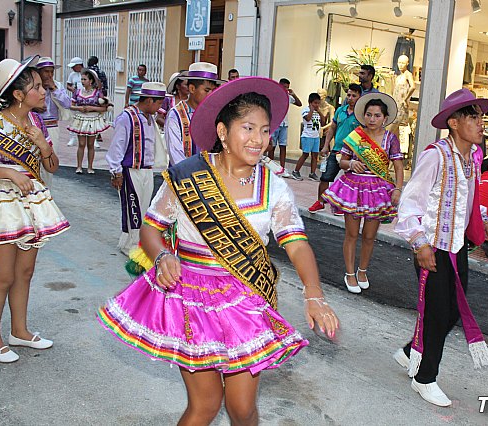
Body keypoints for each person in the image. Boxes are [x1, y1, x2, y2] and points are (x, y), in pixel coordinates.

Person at [97, 76, 338, 424]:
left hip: (244, 300)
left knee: (242, 408)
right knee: (205, 405)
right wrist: (163, 256)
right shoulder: (187, 177)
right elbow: (151, 229)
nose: (258, 140)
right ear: (223, 131)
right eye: (248, 128)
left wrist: (314, 293)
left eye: (266, 130)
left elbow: (296, 243)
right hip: (192, 300)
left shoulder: (274, 188)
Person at [393, 88, 488, 407]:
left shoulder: (474, 157)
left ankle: (410, 351)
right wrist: (419, 243)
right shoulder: (435, 155)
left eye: (481, 116)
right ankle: (424, 378)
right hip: (431, 247)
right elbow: (409, 203)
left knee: (452, 311)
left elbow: (468, 197)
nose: (481, 122)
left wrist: (484, 219)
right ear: (453, 123)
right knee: (439, 313)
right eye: (473, 116)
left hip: (457, 247)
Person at [0, 57, 70, 363]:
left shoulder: (36, 122)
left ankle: (19, 331)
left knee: (25, 272)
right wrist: (9, 173)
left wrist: (44, 146)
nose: (43, 90)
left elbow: (52, 166)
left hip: (30, 202)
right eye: (36, 86)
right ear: (19, 94)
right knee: (3, 276)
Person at [322, 93, 404, 293]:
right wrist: (350, 163)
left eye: (377, 115)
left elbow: (399, 167)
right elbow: (341, 160)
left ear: (384, 118)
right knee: (351, 234)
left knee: (369, 236)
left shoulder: (390, 139)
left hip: (378, 191)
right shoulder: (356, 136)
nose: (372, 119)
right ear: (363, 116)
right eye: (369, 114)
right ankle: (349, 273)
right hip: (354, 188)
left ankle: (362, 270)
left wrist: (398, 189)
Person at [106, 82, 165, 256]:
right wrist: (116, 171)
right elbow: (118, 146)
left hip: (146, 169)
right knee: (133, 207)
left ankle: (129, 240)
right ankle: (131, 245)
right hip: (130, 170)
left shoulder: (149, 118)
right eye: (158, 103)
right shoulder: (127, 117)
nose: (160, 107)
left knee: (144, 207)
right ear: (148, 100)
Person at [309, 83, 362, 213]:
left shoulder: (362, 115)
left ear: (359, 97)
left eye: (354, 96)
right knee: (325, 177)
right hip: (336, 149)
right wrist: (326, 145)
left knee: (349, 180)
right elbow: (333, 128)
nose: (350, 98)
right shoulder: (340, 111)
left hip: (352, 153)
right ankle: (320, 202)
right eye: (349, 95)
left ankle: (340, 205)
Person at [165, 62, 223, 166]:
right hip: (183, 176)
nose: (211, 94)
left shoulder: (214, 114)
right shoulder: (175, 115)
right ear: (192, 89)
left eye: (214, 90)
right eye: (207, 90)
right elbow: (175, 155)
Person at [36, 57, 71, 186]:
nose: (49, 75)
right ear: (39, 72)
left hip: (52, 128)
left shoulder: (57, 85)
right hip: (34, 126)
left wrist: (54, 89)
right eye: (46, 71)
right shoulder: (33, 86)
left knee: (49, 159)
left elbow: (67, 103)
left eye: (51, 71)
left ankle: (47, 191)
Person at [67, 69, 109, 174]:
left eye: (84, 79)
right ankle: (79, 166)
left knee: (91, 144)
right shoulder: (77, 92)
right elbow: (71, 106)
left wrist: (91, 108)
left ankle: (90, 167)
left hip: (92, 119)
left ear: (90, 81)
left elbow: (104, 108)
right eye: (81, 79)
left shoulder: (97, 93)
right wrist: (79, 109)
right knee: (81, 144)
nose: (82, 81)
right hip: (81, 119)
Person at [268, 78, 301, 177]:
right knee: (272, 147)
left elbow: (299, 104)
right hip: (275, 123)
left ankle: (282, 168)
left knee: (283, 146)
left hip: (284, 125)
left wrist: (293, 94)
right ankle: (271, 167)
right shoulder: (274, 95)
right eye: (284, 87)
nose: (286, 89)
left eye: (287, 87)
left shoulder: (288, 97)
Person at [291, 93, 325, 181]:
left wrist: (319, 111)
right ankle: (296, 171)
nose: (317, 105)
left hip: (316, 136)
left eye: (318, 103)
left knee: (315, 155)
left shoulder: (318, 112)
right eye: (315, 103)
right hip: (307, 136)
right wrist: (311, 110)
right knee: (305, 154)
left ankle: (312, 173)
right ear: (310, 103)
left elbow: (323, 121)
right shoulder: (305, 110)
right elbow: (308, 118)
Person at [65, 57, 84, 147]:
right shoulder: (72, 75)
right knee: (73, 119)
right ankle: (72, 137)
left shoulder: (88, 73)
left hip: (86, 98)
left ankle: (93, 139)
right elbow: (68, 85)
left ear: (79, 65)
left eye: (74, 66)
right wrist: (72, 89)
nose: (72, 68)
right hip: (76, 98)